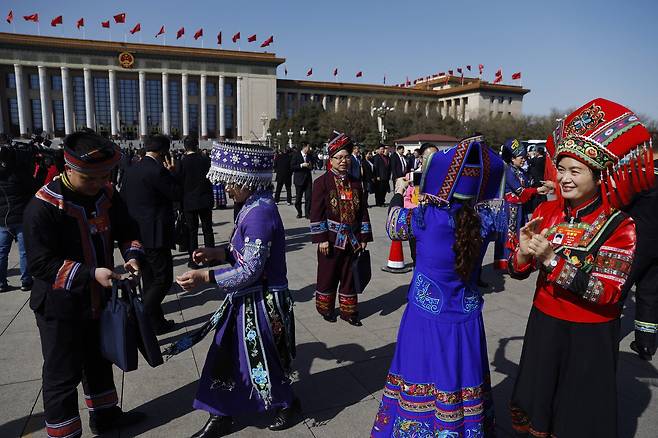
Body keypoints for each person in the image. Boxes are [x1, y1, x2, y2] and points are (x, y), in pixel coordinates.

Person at [507, 98, 649, 437]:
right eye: (562, 170)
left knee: (576, 412)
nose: (565, 179)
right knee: (538, 404)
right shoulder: (549, 212)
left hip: (589, 334)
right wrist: (525, 254)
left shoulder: (619, 225)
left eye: (576, 171)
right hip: (544, 323)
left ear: (598, 175)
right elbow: (517, 268)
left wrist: (553, 261)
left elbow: (609, 293)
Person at [371, 136, 506, 437]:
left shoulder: (427, 216)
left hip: (426, 315)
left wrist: (398, 193)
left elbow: (393, 226)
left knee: (423, 374)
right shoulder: (483, 221)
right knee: (461, 380)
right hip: (467, 317)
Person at [171, 141, 298, 437]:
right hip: (248, 298)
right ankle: (222, 412)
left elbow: (251, 270)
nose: (226, 188)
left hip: (261, 302)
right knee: (232, 356)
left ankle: (285, 403)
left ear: (247, 180)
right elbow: (242, 253)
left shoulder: (259, 213)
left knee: (260, 358)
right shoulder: (252, 206)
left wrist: (206, 276)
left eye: (230, 181)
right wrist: (217, 253)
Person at [23, 131, 145, 437]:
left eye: (104, 177)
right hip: (59, 306)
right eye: (89, 178)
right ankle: (64, 432)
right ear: (67, 169)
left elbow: (129, 230)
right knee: (62, 374)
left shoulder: (106, 194)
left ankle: (105, 416)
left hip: (98, 300)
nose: (97, 184)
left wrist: (132, 258)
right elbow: (40, 264)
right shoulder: (43, 207)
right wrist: (91, 274)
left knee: (99, 360)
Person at [310, 132, 372, 326]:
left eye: (346, 157)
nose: (343, 161)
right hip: (330, 238)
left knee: (349, 276)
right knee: (328, 274)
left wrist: (363, 237)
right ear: (331, 160)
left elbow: (362, 211)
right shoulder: (322, 183)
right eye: (339, 157)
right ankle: (325, 308)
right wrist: (321, 239)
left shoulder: (356, 183)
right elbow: (316, 212)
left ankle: (349, 312)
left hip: (352, 239)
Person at [122, 134, 181, 334]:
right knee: (163, 279)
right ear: (164, 151)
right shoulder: (158, 171)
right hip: (156, 233)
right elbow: (176, 194)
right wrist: (172, 173)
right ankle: (141, 316)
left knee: (149, 278)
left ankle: (156, 323)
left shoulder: (131, 169)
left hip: (137, 232)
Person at [621, 151, 658, 360]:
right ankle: (646, 345)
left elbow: (622, 203)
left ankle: (604, 337)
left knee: (618, 291)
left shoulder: (644, 175)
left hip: (637, 244)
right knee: (650, 295)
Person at [494, 138, 550, 270]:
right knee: (511, 234)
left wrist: (539, 188)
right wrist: (536, 190)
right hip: (510, 209)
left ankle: (518, 260)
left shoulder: (520, 171)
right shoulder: (508, 171)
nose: (524, 159)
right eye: (521, 157)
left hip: (519, 208)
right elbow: (520, 191)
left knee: (520, 234)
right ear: (512, 159)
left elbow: (528, 185)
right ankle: (508, 262)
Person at [0, 138, 36, 291]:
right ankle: (26, 281)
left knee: (2, 252)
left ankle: (1, 282)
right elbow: (33, 186)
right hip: (20, 216)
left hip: (3, 219)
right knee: (25, 251)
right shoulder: (20, 172)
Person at [175, 136, 215, 269]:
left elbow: (179, 183)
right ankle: (212, 258)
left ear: (185, 147)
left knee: (192, 231)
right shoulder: (205, 160)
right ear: (197, 145)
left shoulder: (181, 162)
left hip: (189, 201)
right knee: (207, 229)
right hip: (204, 199)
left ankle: (193, 259)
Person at [291, 142, 313, 218]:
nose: (309, 149)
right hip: (299, 180)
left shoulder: (310, 156)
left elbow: (312, 165)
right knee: (298, 199)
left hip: (308, 180)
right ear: (305, 147)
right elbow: (292, 166)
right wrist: (301, 165)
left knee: (309, 198)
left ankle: (308, 213)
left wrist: (310, 166)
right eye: (308, 147)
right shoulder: (296, 155)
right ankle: (299, 212)